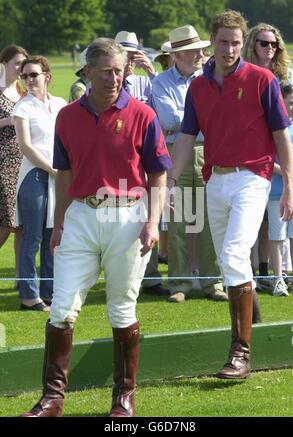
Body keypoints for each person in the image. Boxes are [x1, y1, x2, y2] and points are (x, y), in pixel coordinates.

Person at [21, 37, 171, 417]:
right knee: (61, 310)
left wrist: (152, 223)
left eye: (120, 70)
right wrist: (58, 224)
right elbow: (65, 174)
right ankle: (52, 399)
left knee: (121, 308)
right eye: (106, 71)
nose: (114, 78)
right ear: (87, 72)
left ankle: (123, 398)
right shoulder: (67, 116)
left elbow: (158, 177)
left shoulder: (143, 115)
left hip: (128, 216)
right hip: (80, 219)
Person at [167, 10, 293, 379]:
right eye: (223, 42)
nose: (229, 49)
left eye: (236, 42)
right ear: (213, 41)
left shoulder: (262, 79)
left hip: (253, 178)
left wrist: (288, 184)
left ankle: (240, 353)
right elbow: (187, 137)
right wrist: (171, 180)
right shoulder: (198, 87)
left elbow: (281, 137)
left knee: (233, 253)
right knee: (230, 263)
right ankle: (251, 307)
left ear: (243, 43)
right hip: (214, 180)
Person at [152, 24, 228, 303]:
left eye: (200, 50)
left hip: (210, 152)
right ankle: (180, 284)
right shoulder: (160, 82)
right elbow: (168, 120)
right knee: (178, 221)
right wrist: (200, 120)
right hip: (176, 155)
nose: (200, 55)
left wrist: (197, 121)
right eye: (193, 52)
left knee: (212, 221)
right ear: (176, 56)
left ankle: (212, 282)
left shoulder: (211, 79)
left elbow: (215, 119)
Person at [243, 23, 293, 292]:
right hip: (252, 146)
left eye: (274, 44)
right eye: (263, 43)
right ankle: (251, 272)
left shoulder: (285, 74)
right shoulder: (243, 72)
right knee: (253, 219)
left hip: (280, 142)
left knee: (275, 221)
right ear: (253, 44)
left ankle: (274, 272)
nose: (269, 48)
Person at [115, 30, 169, 296]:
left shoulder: (144, 83)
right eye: (124, 53)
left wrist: (151, 73)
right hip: (118, 161)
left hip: (143, 158)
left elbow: (163, 112)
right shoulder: (105, 83)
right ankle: (121, 272)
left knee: (150, 214)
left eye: (133, 54)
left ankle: (150, 274)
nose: (129, 60)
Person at [13, 56, 66, 311]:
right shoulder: (23, 107)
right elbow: (26, 146)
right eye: (25, 76)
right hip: (34, 176)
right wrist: (51, 169)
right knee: (31, 237)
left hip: (58, 176)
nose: (29, 80)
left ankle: (49, 292)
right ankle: (29, 296)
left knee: (52, 238)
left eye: (33, 74)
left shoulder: (60, 104)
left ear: (47, 75)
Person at [266, 84, 293, 296]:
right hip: (276, 190)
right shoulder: (272, 126)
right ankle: (278, 278)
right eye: (291, 102)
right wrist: (286, 173)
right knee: (277, 236)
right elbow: (266, 159)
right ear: (282, 103)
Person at [0, 45, 28, 285]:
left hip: (23, 163)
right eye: (17, 63)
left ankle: (21, 277)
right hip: (3, 163)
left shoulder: (21, 90)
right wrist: (8, 121)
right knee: (5, 225)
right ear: (4, 64)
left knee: (21, 225)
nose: (21, 68)